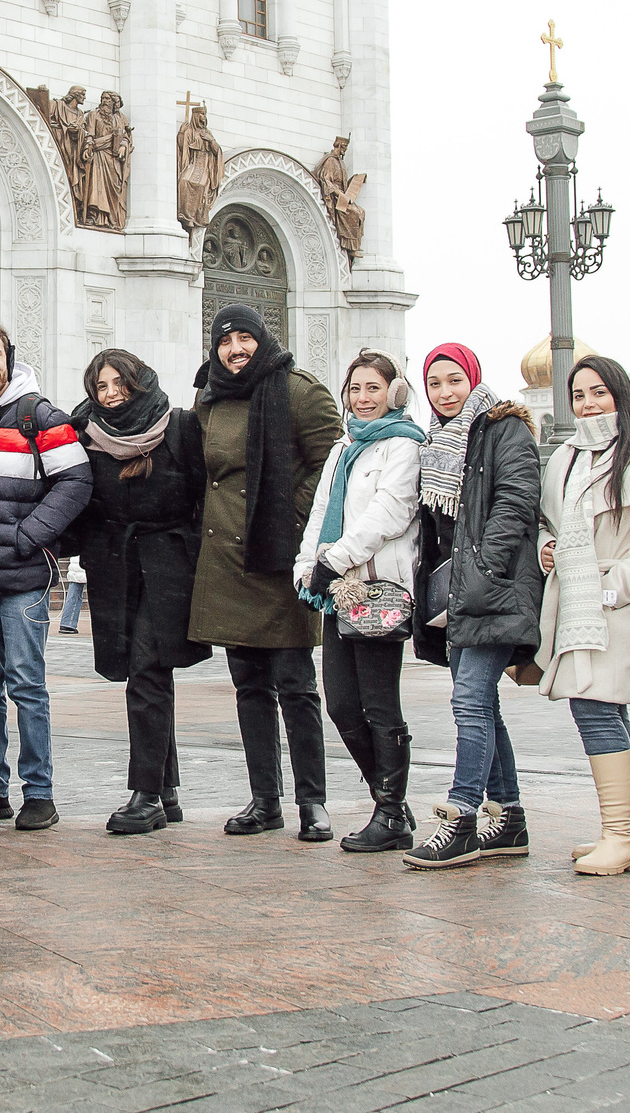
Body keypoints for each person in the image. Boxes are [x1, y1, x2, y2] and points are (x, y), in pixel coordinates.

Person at [188, 303, 344, 841]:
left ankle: (313, 802)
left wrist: (290, 511)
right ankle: (264, 801)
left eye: (244, 339)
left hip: (278, 556)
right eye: (225, 341)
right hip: (228, 562)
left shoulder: (298, 390)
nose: (235, 350)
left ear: (262, 340)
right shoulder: (208, 397)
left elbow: (333, 462)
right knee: (249, 686)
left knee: (297, 686)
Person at [530, 355, 630, 877]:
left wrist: (619, 586)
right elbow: (549, 521)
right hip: (573, 594)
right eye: (579, 395)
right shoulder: (566, 457)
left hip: (618, 598)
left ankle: (618, 835)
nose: (589, 404)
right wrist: (547, 547)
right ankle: (628, 831)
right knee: (606, 707)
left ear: (620, 395)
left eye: (599, 393)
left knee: (594, 704)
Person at [0, 323, 90, 832]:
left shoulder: (40, 415)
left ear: (8, 357)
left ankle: (40, 793)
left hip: (23, 577)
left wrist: (30, 535)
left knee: (27, 684)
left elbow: (76, 479)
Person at [404, 343, 544, 871]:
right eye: (434, 383)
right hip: (461, 596)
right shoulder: (437, 441)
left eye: (453, 381)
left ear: (473, 380)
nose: (444, 393)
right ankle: (508, 817)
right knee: (482, 704)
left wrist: (485, 569)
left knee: (469, 701)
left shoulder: (503, 429)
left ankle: (461, 816)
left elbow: (516, 501)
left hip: (496, 588)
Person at [72, 349, 210, 835]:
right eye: (100, 387)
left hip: (170, 563)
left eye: (118, 384)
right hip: (116, 565)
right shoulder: (87, 432)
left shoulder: (179, 427)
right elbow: (78, 497)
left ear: (139, 382)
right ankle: (166, 790)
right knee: (142, 669)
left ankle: (145, 794)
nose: (110, 395)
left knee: (148, 669)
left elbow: (204, 495)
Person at [294, 352, 427, 855]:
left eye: (374, 388)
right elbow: (322, 511)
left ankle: (390, 812)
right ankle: (390, 801)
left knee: (379, 703)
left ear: (393, 392)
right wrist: (307, 568)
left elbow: (390, 513)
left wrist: (336, 560)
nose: (363, 398)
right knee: (342, 705)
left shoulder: (404, 445)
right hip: (335, 589)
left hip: (375, 588)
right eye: (355, 389)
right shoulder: (344, 448)